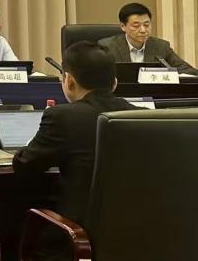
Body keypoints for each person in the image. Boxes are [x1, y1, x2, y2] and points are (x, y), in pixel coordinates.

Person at [12, 41, 138, 224]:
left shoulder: (62, 116)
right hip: (136, 229)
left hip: (78, 232)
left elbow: (25, 165)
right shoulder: (142, 116)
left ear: (69, 81)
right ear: (114, 83)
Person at [97, 2, 195, 74]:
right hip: (120, 94)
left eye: (146, 25)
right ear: (123, 26)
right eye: (136, 25)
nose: (143, 30)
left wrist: (170, 75)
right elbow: (95, 75)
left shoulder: (161, 46)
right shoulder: (107, 47)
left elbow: (189, 71)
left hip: (153, 93)